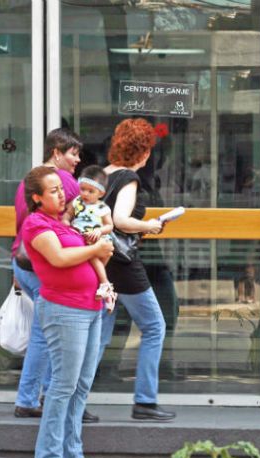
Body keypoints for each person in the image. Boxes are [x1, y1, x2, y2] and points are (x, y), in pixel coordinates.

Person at [21, 166, 113, 458]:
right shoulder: (35, 224)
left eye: (61, 189)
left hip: (91, 307)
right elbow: (59, 259)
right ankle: (49, 457)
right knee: (63, 385)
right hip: (63, 309)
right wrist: (96, 248)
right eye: (53, 191)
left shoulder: (67, 224)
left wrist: (103, 254)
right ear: (36, 197)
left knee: (81, 386)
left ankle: (72, 455)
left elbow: (90, 257)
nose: (62, 195)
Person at [10, 128, 100, 423]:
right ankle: (38, 397)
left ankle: (39, 396)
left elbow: (21, 225)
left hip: (23, 262)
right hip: (44, 264)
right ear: (56, 153)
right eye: (72, 153)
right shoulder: (62, 182)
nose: (77, 160)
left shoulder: (31, 179)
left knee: (45, 333)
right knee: (47, 335)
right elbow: (83, 217)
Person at [97, 117, 176, 421]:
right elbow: (120, 220)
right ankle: (145, 401)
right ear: (143, 151)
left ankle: (74, 399)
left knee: (99, 335)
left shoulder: (103, 175)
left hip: (102, 262)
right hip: (124, 264)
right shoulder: (129, 178)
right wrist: (150, 226)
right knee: (155, 327)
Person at [62, 165, 118, 312]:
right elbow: (68, 214)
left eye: (90, 191)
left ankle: (105, 285)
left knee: (93, 258)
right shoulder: (77, 202)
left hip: (98, 240)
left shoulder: (102, 208)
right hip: (82, 238)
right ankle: (107, 291)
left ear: (101, 193)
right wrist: (66, 222)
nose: (85, 194)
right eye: (82, 189)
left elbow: (109, 226)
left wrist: (99, 231)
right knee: (93, 268)